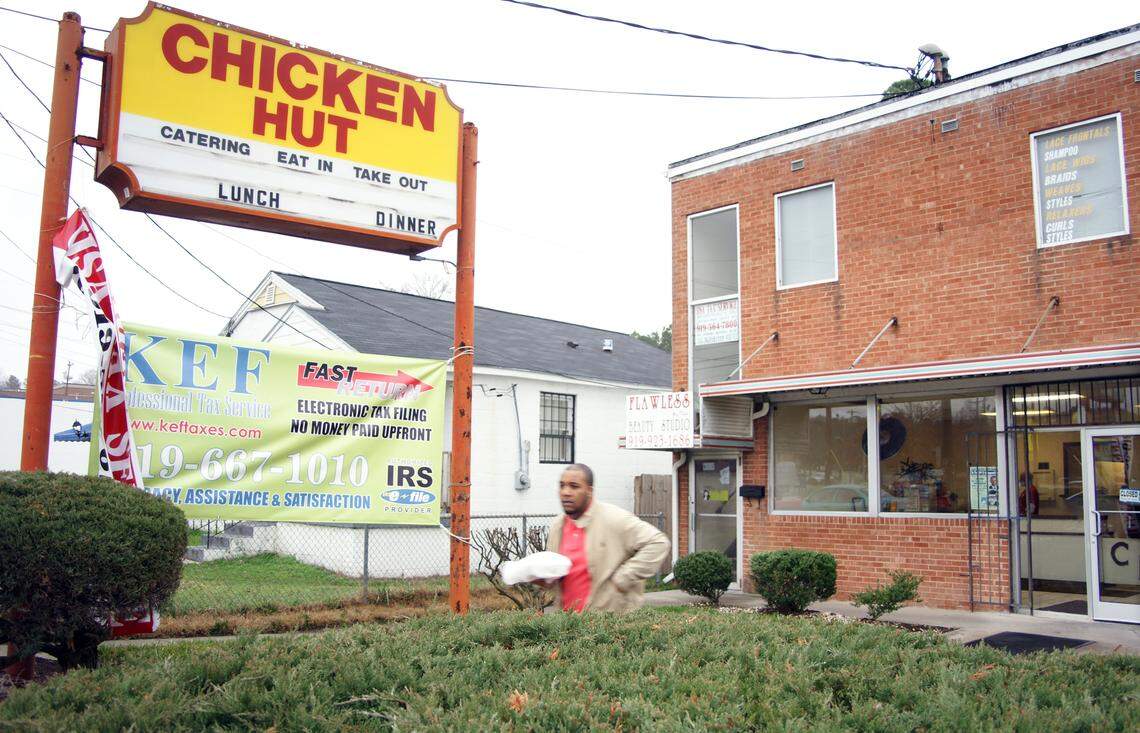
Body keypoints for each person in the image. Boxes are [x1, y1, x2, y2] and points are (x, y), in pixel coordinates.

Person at [546, 463, 670, 612]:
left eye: (574, 486)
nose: (566, 492)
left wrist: (623, 578)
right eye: (562, 485)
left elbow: (658, 542)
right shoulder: (557, 527)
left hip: (607, 625)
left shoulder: (614, 519)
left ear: (589, 491)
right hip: (568, 626)